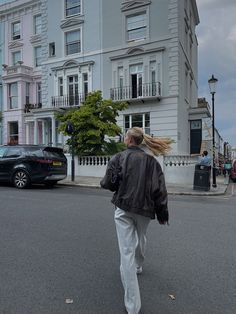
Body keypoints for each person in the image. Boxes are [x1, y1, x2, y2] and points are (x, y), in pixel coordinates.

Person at [100, 127, 171, 314]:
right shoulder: (152, 162)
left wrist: (109, 182)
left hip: (123, 208)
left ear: (129, 140)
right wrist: (163, 214)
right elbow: (160, 190)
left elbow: (109, 183)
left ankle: (133, 307)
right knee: (141, 236)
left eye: (125, 136)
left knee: (126, 252)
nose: (124, 138)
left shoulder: (119, 158)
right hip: (144, 210)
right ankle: (139, 264)